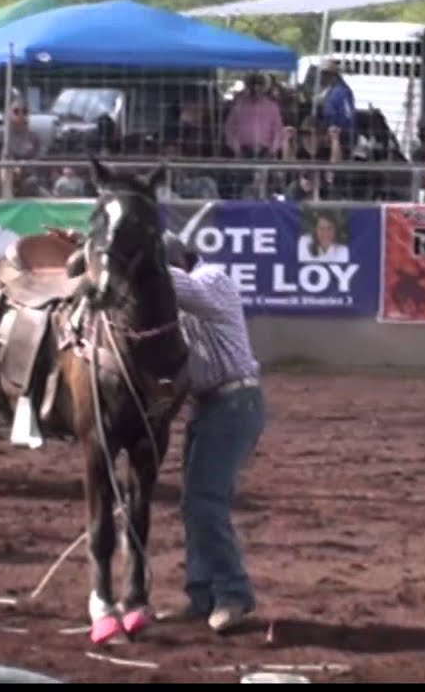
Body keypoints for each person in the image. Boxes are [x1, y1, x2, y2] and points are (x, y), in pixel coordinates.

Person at [158, 231, 266, 633]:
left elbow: (171, 282)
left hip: (234, 404)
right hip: (214, 406)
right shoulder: (183, 304)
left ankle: (233, 594)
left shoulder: (213, 279)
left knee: (205, 502)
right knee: (195, 503)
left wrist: (119, 251)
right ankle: (201, 595)